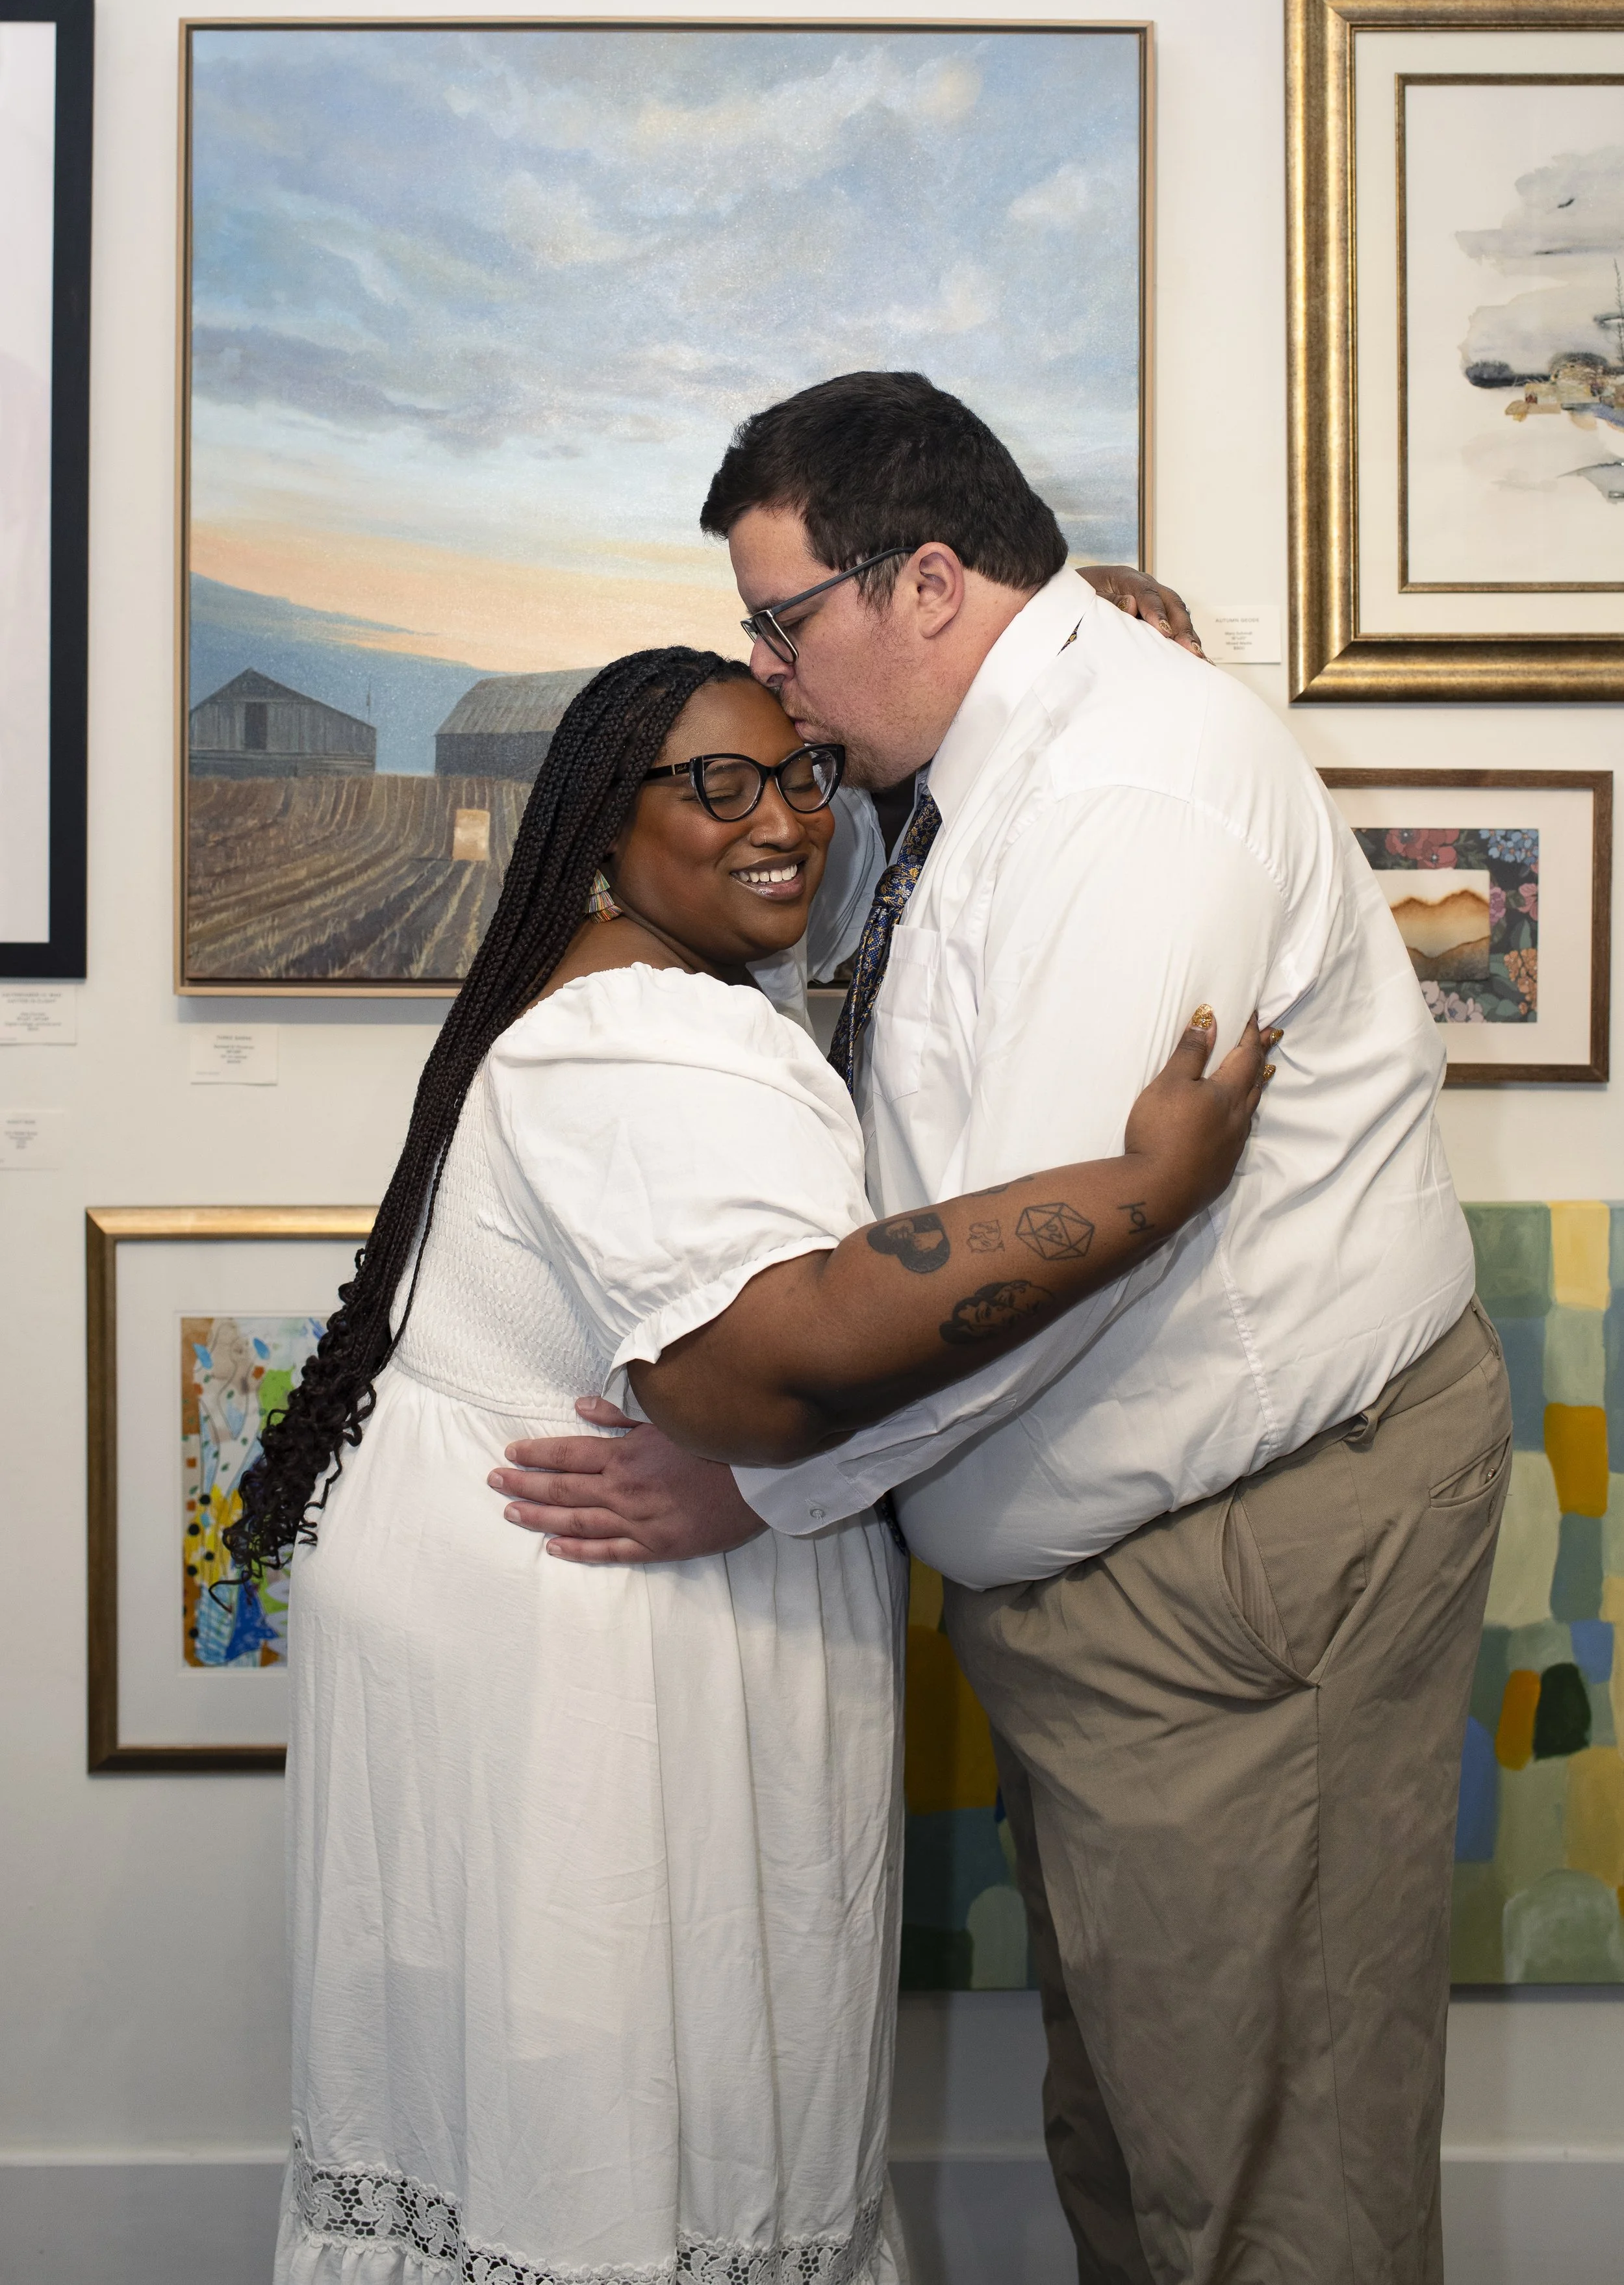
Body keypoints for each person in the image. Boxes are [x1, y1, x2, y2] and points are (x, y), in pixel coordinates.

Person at [494, 376, 1514, 2285]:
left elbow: (1054, 1263)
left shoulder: (1120, 796)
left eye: (785, 621)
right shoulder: (986, 755)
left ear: (932, 581)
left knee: (1260, 2167)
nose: (768, 674)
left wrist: (764, 1482)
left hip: (1236, 1564)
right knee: (1143, 2123)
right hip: (1135, 1587)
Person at [228, 645, 1269, 2285]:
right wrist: (1151, 1184)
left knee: (526, 2127)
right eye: (714, 784)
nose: (777, 815)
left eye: (796, 772)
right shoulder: (642, 1037)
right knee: (617, 2150)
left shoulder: (624, 988)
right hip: (587, 1665)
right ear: (600, 820)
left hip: (522, 1619)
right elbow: (766, 1377)